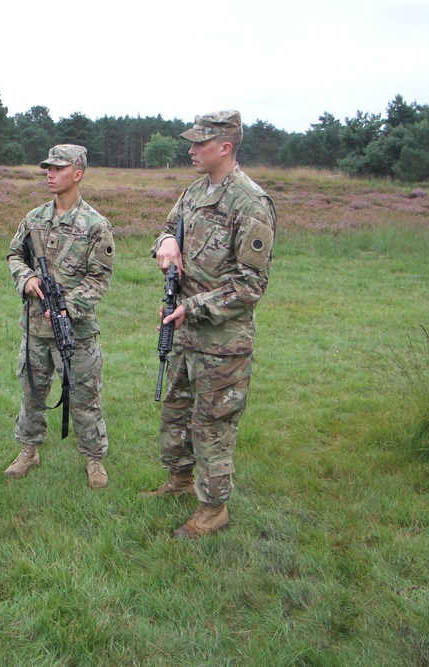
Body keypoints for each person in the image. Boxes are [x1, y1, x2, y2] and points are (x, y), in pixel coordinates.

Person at [142, 110, 276, 538]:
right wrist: (166, 244)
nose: (191, 150)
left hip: (221, 341)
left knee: (212, 424)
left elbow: (251, 284)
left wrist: (194, 307)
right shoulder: (196, 191)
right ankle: (179, 480)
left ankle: (213, 508)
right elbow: (168, 228)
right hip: (184, 332)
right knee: (176, 411)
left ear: (226, 147)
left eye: (200, 143)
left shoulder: (250, 202)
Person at [4, 144, 115, 488]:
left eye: (58, 169)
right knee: (32, 392)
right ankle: (28, 450)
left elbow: (100, 279)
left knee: (84, 395)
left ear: (77, 174)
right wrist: (26, 278)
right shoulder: (34, 218)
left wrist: (68, 306)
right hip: (35, 326)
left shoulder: (95, 225)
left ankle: (94, 459)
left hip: (75, 331)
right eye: (47, 169)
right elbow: (13, 254)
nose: (49, 174)